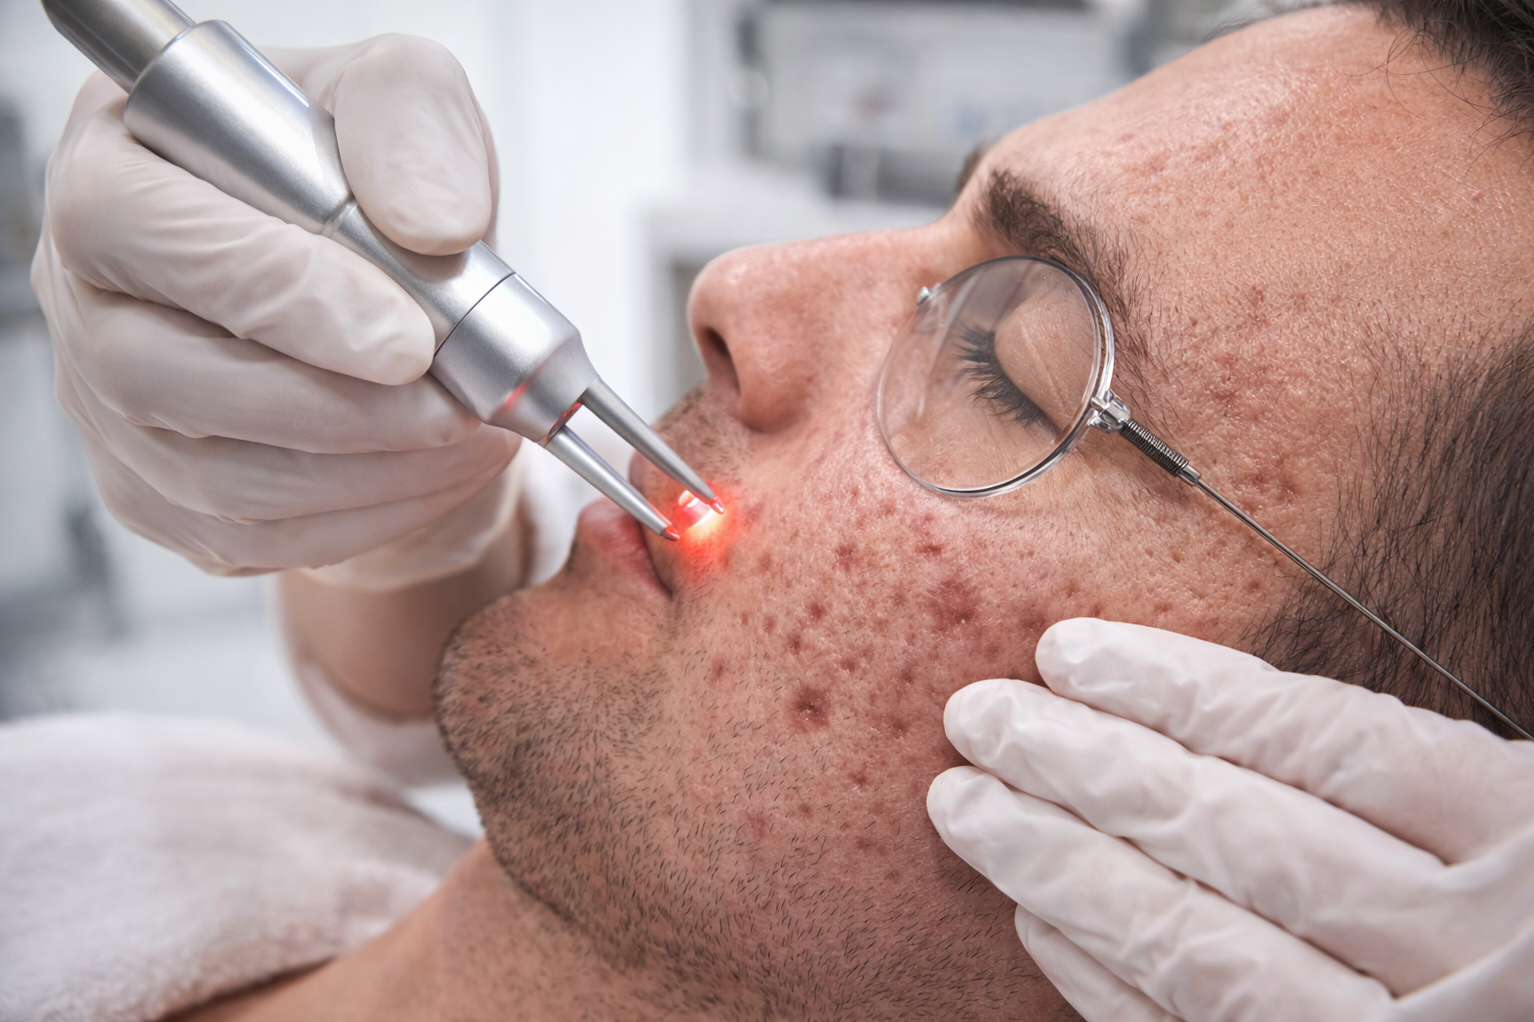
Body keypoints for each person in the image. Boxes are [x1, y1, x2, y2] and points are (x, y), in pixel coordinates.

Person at [10, 0, 1534, 1019]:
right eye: (933, 225)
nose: (739, 291)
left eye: (1008, 371)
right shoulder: (103, 832)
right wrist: (399, 527)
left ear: (1349, 852)